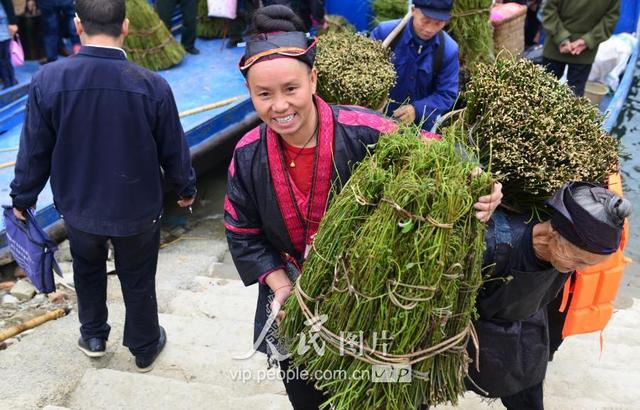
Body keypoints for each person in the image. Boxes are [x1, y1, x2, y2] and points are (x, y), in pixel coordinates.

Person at [224, 5, 502, 409]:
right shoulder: (247, 155)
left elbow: (442, 153)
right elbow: (242, 232)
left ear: (314, 79)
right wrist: (281, 287)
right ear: (250, 93)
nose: (280, 106)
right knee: (308, 394)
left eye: (291, 89)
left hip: (369, 296)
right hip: (293, 300)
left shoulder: (365, 129)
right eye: (263, 94)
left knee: (383, 393)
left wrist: (484, 182)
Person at [9, 0, 196, 372]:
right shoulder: (152, 85)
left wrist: (22, 197)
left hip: (78, 207)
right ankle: (144, 346)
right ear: (125, 27)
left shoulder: (48, 81)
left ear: (78, 25)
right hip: (138, 209)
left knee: (87, 267)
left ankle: (93, 336)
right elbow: (174, 148)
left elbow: (34, 150)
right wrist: (184, 188)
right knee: (138, 275)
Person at [466, 182, 631, 409]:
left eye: (586, 264)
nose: (580, 269)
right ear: (553, 231)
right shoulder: (493, 245)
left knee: (529, 398)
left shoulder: (564, 255)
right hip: (470, 334)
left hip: (525, 330)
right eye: (578, 260)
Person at [370, 0, 459, 132]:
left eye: (438, 23)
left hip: (419, 129)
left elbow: (447, 94)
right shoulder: (385, 34)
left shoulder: (448, 49)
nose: (430, 29)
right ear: (413, 11)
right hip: (378, 120)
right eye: (425, 20)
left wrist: (417, 110)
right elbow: (366, 72)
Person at [541, 0, 620, 97]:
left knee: (543, 91)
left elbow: (548, 10)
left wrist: (561, 37)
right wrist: (587, 40)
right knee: (574, 95)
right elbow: (610, 19)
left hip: (555, 46)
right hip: (583, 52)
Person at [0, 0, 18, 88]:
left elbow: (8, 3)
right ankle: (9, 81)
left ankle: (9, 82)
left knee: (4, 57)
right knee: (4, 57)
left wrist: (12, 22)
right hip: (4, 24)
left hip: (3, 24)